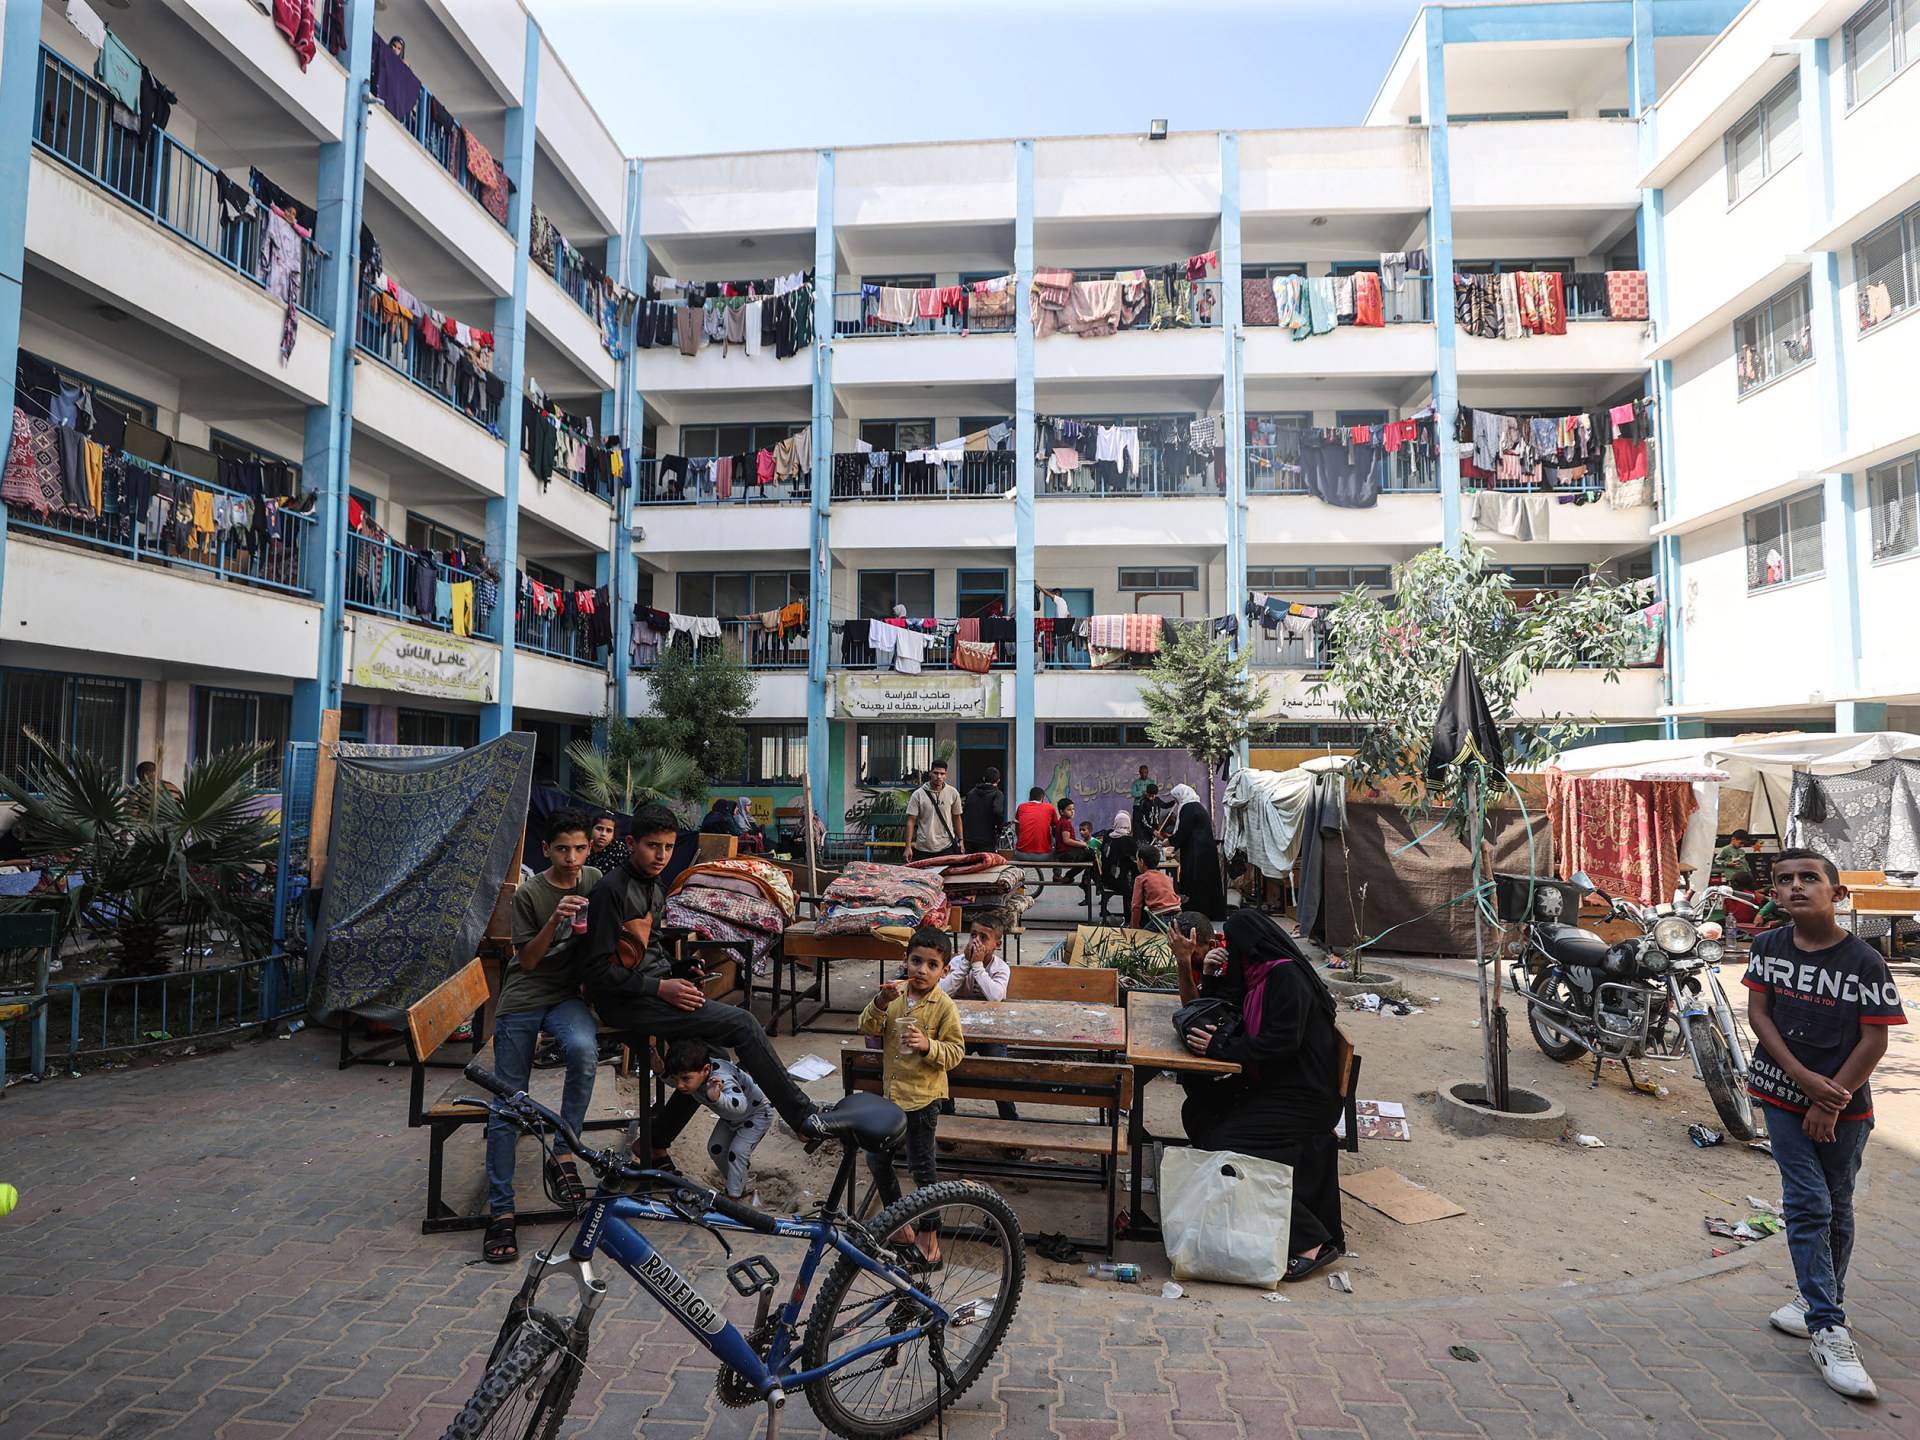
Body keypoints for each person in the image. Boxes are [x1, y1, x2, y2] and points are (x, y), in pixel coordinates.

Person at [1743, 849, 1905, 1400]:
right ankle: (1828, 1328)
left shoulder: (1865, 962)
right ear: (1774, 893)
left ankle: (1817, 1299)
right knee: (1809, 1203)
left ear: (1837, 893)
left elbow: (1875, 1039)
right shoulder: (1767, 946)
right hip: (1780, 1094)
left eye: (1809, 878)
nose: (1795, 886)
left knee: (1837, 1204)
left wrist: (1829, 1101)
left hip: (1843, 1108)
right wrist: (1801, 1079)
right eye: (1784, 879)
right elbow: (1759, 1014)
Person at [580, 804, 824, 1163]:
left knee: (709, 1061)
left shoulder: (655, 886)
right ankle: (804, 1118)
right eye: (652, 846)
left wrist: (679, 968)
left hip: (654, 990)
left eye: (668, 846)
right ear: (631, 844)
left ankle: (655, 1142)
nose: (661, 855)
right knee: (743, 1024)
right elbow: (596, 971)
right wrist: (660, 988)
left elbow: (650, 950)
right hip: (623, 1001)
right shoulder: (610, 891)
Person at [1169, 911, 1346, 1283]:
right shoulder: (1258, 974)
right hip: (1276, 1087)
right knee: (1199, 1108)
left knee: (1224, 1140)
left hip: (1305, 1098)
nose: (1230, 953)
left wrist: (1222, 1046)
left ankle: (1311, 1241)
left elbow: (1280, 1043)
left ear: (1250, 947)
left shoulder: (1285, 977)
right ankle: (1234, 1206)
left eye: (1233, 946)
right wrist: (1210, 974)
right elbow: (1213, 1008)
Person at [485, 808, 604, 1264]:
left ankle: (563, 1153)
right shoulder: (530, 893)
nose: (571, 858)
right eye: (562, 849)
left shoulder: (593, 879)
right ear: (546, 850)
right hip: (523, 996)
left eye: (579, 848)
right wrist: (555, 919)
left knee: (584, 1051)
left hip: (565, 996)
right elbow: (529, 962)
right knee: (509, 1102)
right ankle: (502, 1210)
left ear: (589, 848)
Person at [859, 927, 965, 1267]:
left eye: (932, 965)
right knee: (877, 1161)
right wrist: (880, 1002)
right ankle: (900, 1227)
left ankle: (930, 1241)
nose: (922, 970)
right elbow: (866, 1026)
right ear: (905, 960)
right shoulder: (895, 995)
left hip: (923, 1100)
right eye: (916, 961)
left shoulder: (944, 1007)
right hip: (892, 1097)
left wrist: (927, 1045)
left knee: (923, 1171)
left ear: (944, 971)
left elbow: (955, 1053)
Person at [662, 1039, 775, 1200]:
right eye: (676, 1079)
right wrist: (659, 1070)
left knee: (738, 1151)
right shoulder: (696, 1074)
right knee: (716, 1149)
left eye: (685, 1079)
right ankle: (740, 1186)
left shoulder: (721, 1078)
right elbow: (675, 1081)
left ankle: (733, 1197)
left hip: (756, 1114)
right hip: (731, 1117)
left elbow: (740, 1105)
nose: (679, 1085)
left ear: (705, 1070)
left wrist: (718, 1098)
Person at [939, 911, 1019, 1124]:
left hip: (991, 1031)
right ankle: (947, 1117)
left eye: (984, 938)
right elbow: (942, 992)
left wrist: (977, 966)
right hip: (958, 1030)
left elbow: (995, 996)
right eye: (973, 935)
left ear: (997, 944)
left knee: (998, 1072)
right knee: (946, 1067)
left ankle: (1009, 1119)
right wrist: (966, 964)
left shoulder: (1000, 968)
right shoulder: (958, 962)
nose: (976, 941)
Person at [1165, 783, 1227, 921]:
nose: (1176, 802)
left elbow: (1183, 832)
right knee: (1205, 882)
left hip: (1197, 853)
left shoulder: (1188, 808)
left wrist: (1169, 842)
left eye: (1176, 798)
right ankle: (1208, 912)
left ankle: (1195, 912)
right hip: (1203, 850)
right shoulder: (1196, 806)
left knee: (1196, 882)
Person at [904, 760, 964, 863]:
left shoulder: (953, 793)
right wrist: (908, 847)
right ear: (930, 773)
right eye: (936, 773)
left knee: (948, 873)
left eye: (942, 774)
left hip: (946, 846)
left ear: (945, 775)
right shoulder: (918, 794)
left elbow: (957, 817)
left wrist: (961, 840)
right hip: (924, 847)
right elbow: (911, 820)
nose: (939, 776)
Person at [1097, 811, 1140, 920]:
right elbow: (1136, 861)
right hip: (1122, 883)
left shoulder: (1108, 837)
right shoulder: (1128, 841)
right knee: (1140, 882)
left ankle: (1128, 915)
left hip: (1107, 880)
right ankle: (1134, 917)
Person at [1131, 846, 1181, 929]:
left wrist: (1134, 927)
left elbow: (1136, 906)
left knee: (1144, 935)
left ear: (1141, 862)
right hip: (1178, 914)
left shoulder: (1140, 879)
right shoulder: (1165, 877)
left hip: (1161, 917)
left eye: (1137, 859)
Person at [961, 767, 1006, 854]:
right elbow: (998, 811)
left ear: (984, 778)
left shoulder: (971, 792)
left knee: (969, 862)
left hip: (968, 838)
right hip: (986, 839)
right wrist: (999, 829)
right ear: (998, 781)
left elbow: (965, 811)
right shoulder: (997, 794)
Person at [1013, 787, 1057, 859]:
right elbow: (1055, 830)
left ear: (1029, 798)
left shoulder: (1021, 807)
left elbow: (1017, 828)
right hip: (1044, 855)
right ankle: (1057, 867)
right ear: (1043, 798)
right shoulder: (1050, 808)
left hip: (1021, 853)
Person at [588, 810, 630, 875]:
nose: (603, 834)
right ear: (591, 829)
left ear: (613, 835)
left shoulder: (619, 850)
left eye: (609, 831)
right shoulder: (583, 845)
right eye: (599, 829)